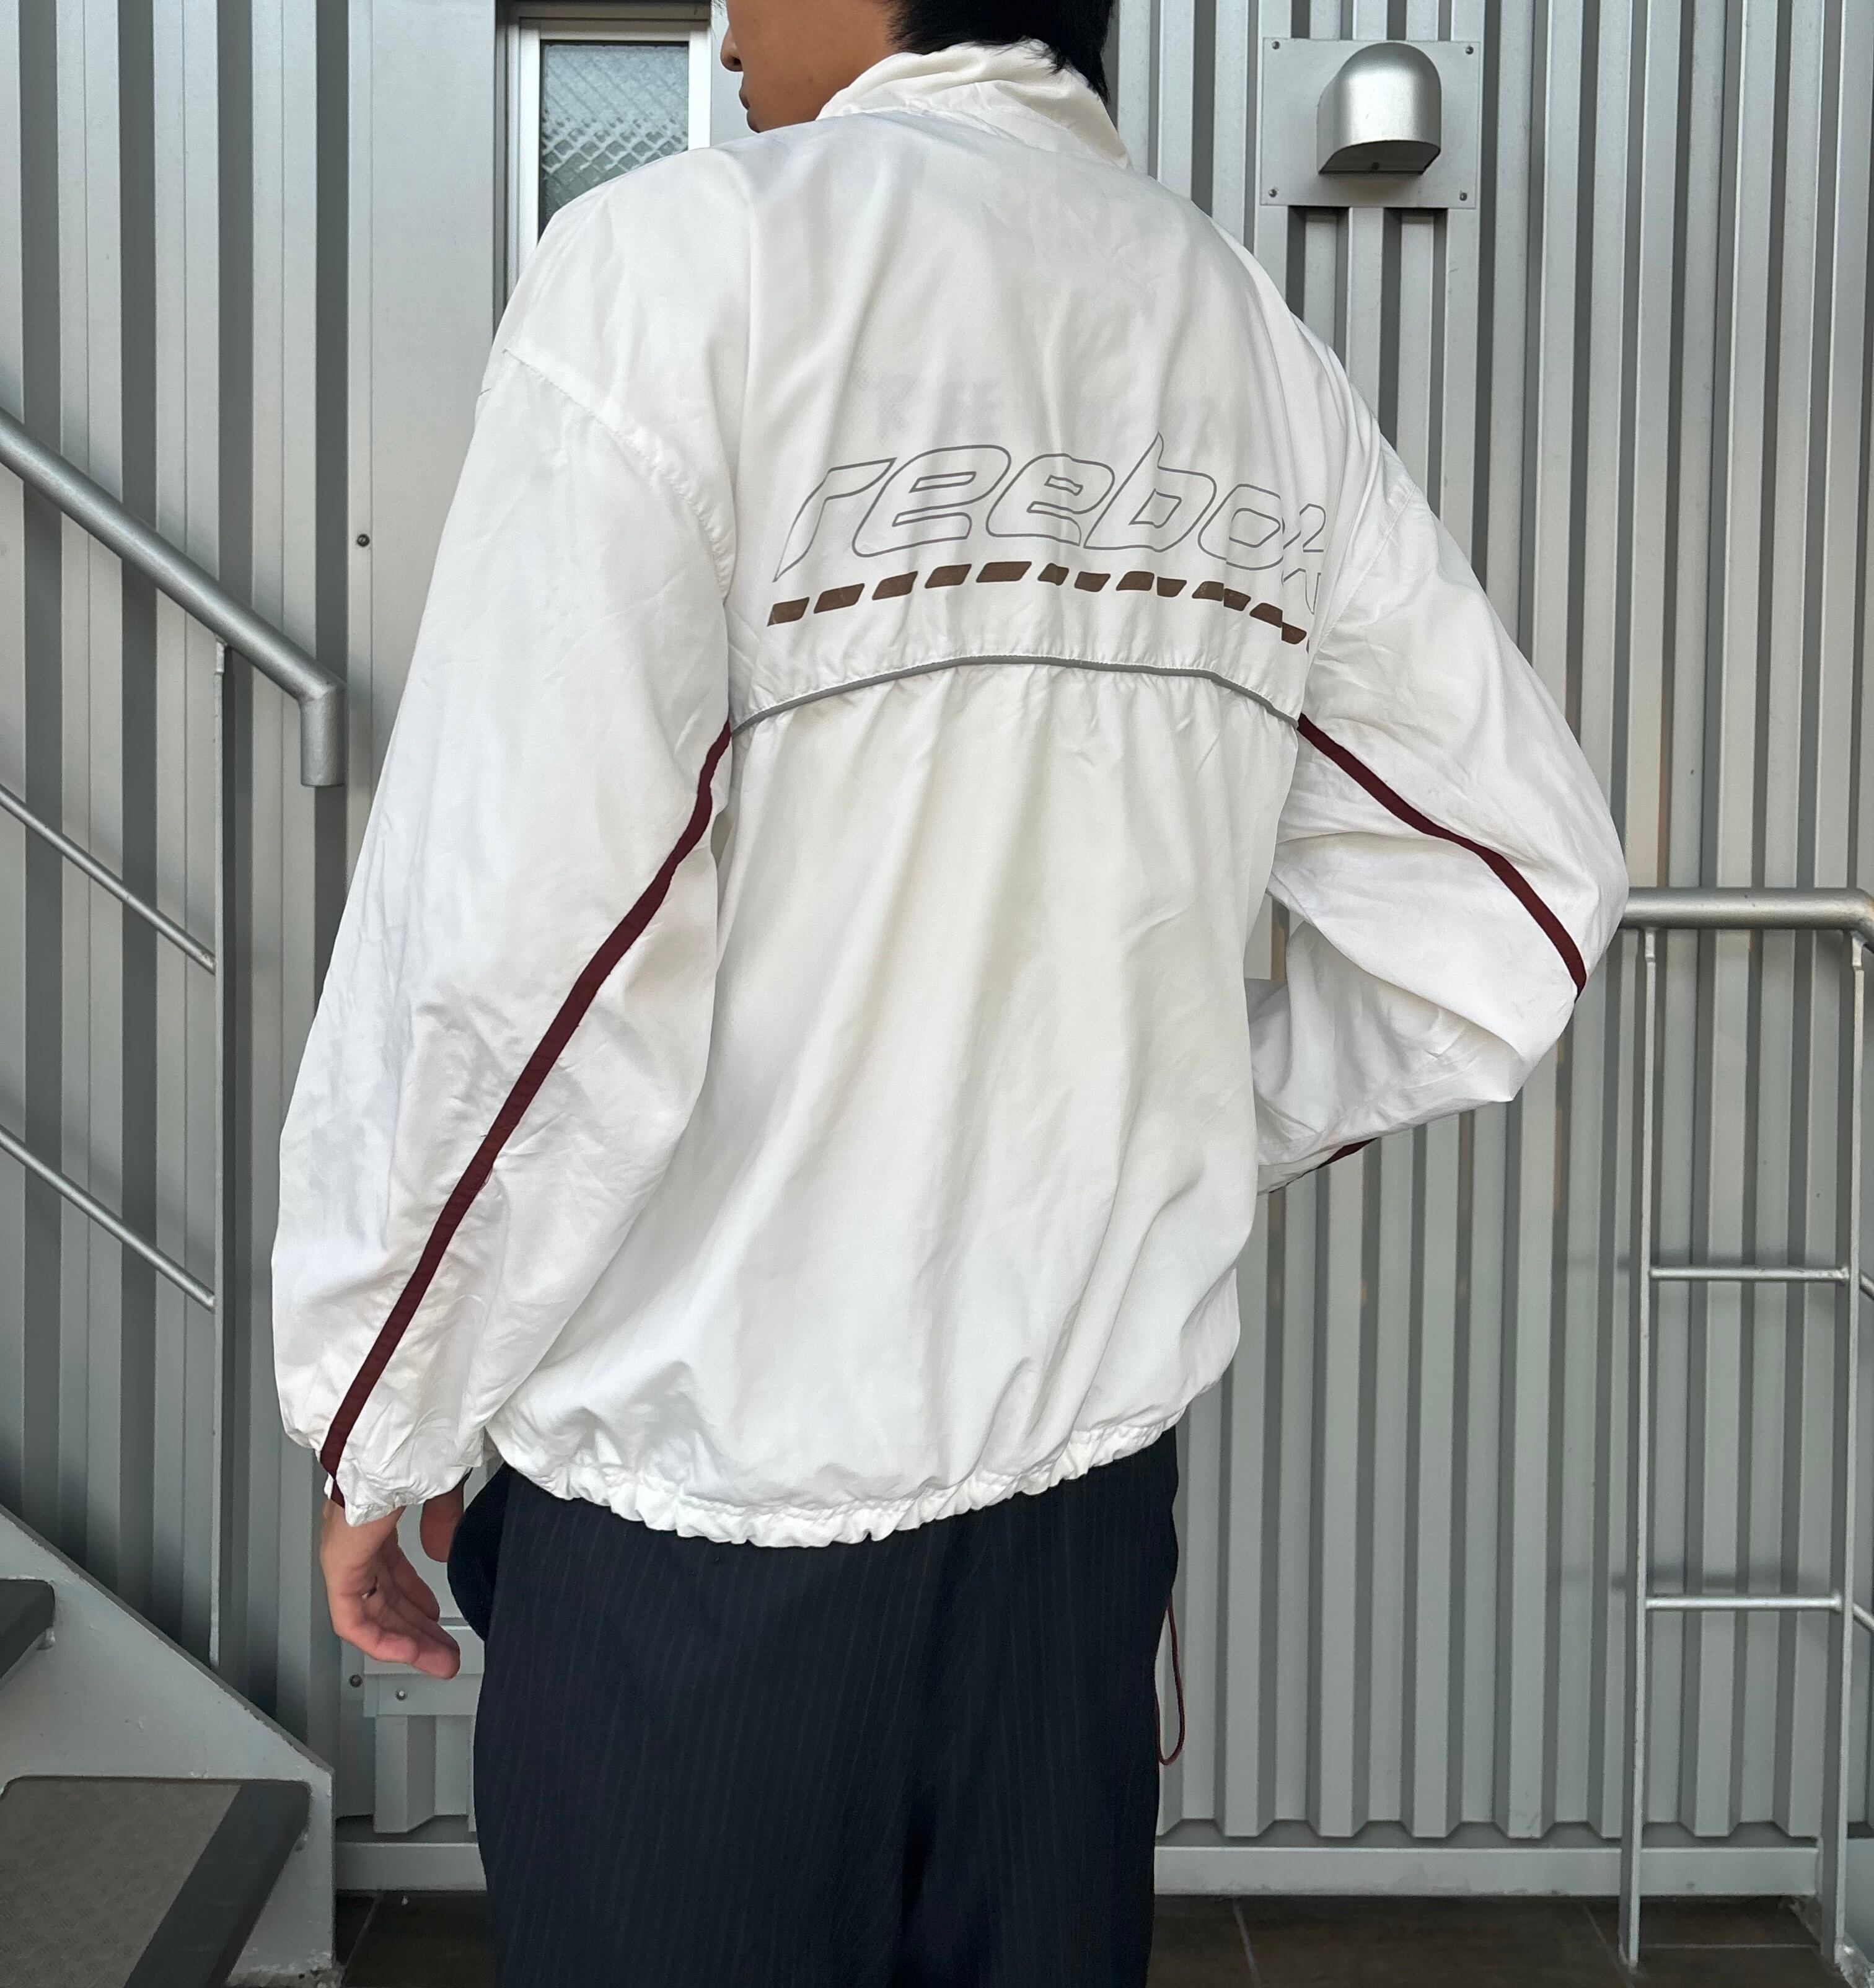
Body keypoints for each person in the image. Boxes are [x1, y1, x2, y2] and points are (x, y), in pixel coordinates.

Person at [273, 6, 1628, 1984]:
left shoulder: (689, 267)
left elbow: (517, 955)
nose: (721, 26)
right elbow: (1517, 896)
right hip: (1074, 1551)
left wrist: (378, 1421)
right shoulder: (1241, 341)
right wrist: (1155, 1118)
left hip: (704, 1556)